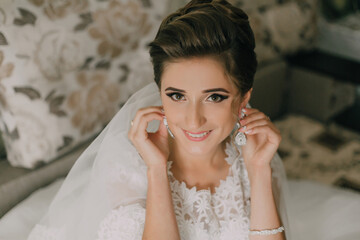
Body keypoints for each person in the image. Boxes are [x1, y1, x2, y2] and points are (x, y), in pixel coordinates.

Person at [28, 0, 290, 239]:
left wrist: (259, 171)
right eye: (177, 96)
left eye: (214, 98)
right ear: (160, 93)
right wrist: (156, 169)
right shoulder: (128, 168)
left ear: (243, 100)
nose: (193, 120)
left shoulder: (256, 157)